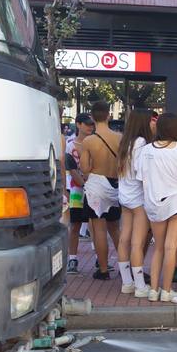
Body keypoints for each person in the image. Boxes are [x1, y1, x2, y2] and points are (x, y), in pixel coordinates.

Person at [134, 114, 177, 303]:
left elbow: (140, 177)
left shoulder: (146, 150)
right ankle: (166, 290)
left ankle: (153, 289)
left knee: (158, 248)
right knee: (171, 247)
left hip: (153, 203)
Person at [78, 102, 125, 280]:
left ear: (92, 116)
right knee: (115, 229)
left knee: (99, 228)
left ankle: (103, 269)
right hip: (115, 185)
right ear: (108, 115)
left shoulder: (88, 141)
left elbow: (84, 168)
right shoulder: (119, 138)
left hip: (96, 186)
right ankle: (125, 266)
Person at [115, 108, 155, 296]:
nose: (153, 124)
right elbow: (142, 174)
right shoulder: (142, 143)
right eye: (151, 120)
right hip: (139, 199)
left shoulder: (125, 142)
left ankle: (127, 282)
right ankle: (140, 286)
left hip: (125, 196)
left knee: (124, 239)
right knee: (137, 243)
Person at [64, 113, 95, 275]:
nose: (90, 127)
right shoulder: (70, 145)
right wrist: (83, 184)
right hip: (77, 190)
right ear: (78, 124)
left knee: (95, 225)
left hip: (95, 189)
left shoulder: (96, 142)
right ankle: (72, 259)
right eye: (86, 124)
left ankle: (99, 257)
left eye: (91, 124)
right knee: (75, 225)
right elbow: (71, 168)